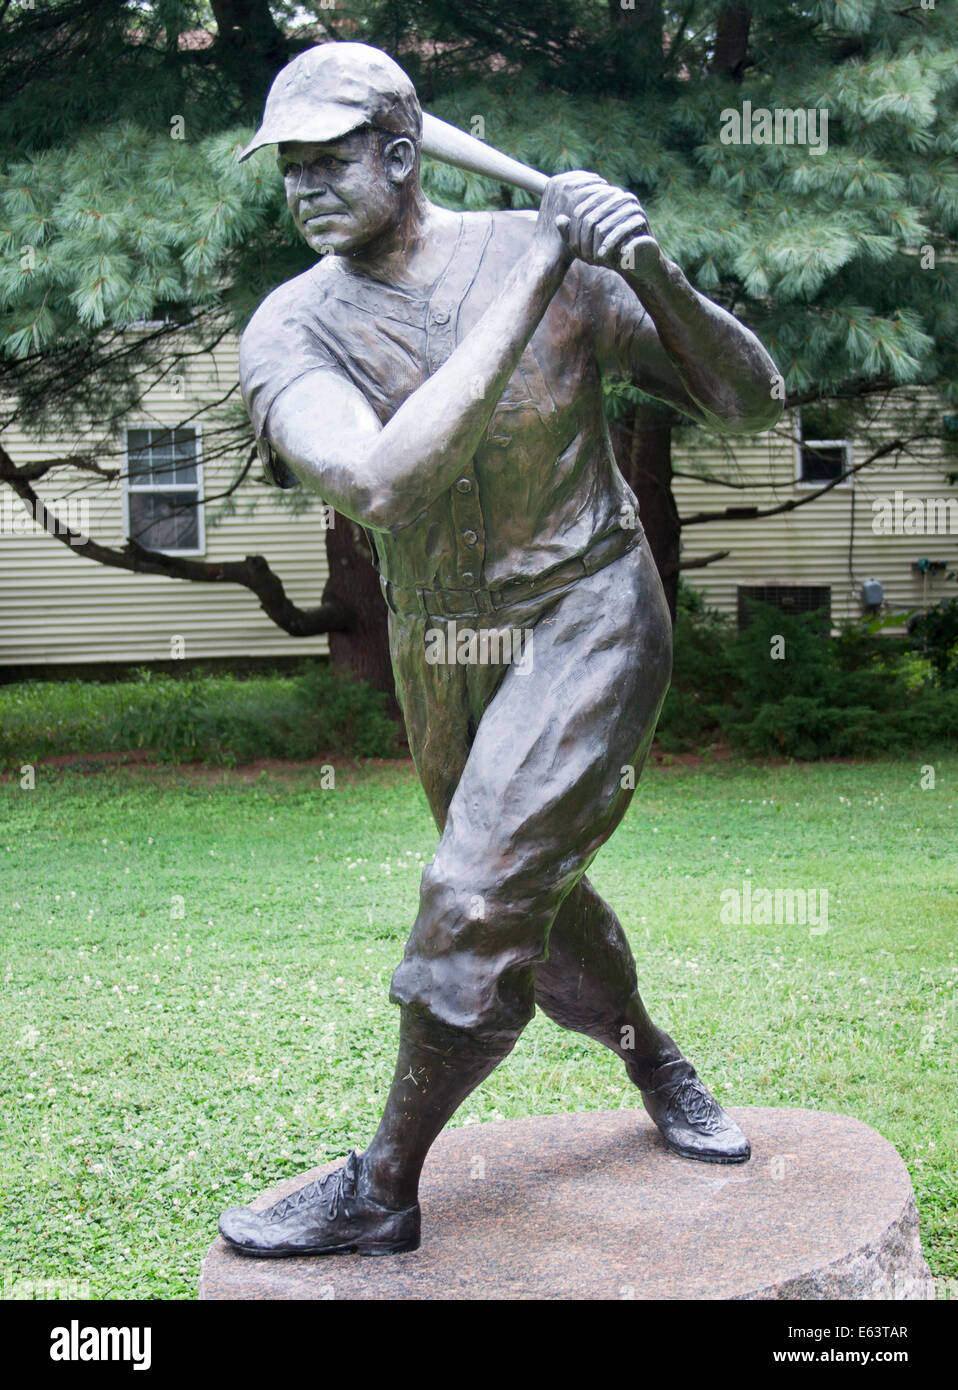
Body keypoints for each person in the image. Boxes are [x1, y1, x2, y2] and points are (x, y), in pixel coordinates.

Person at [218, 41, 782, 1258]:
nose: (306, 189)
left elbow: (750, 399)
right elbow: (381, 481)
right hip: (441, 641)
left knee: (474, 893)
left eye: (332, 161)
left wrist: (648, 267)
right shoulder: (288, 330)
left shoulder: (557, 264)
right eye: (289, 171)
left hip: (590, 609)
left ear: (404, 154)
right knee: (535, 890)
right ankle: (653, 1055)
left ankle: (383, 1186)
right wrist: (542, 268)